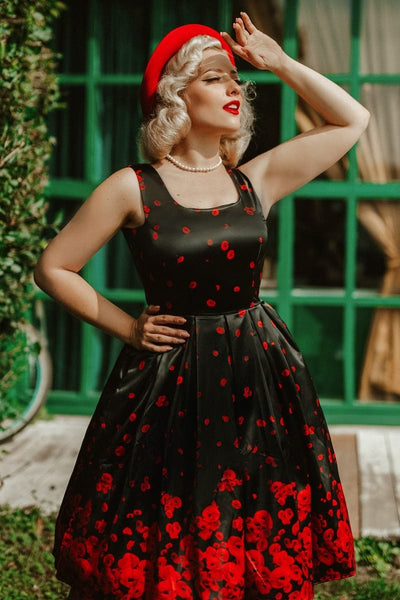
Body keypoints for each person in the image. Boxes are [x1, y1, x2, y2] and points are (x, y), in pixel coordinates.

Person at [34, 12, 369, 600]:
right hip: (168, 378)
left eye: (237, 80)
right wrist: (126, 327)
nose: (235, 87)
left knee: (252, 513)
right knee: (166, 516)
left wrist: (281, 62)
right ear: (176, 94)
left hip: (257, 375)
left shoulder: (253, 181)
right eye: (216, 78)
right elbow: (54, 268)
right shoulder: (131, 186)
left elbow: (353, 120)